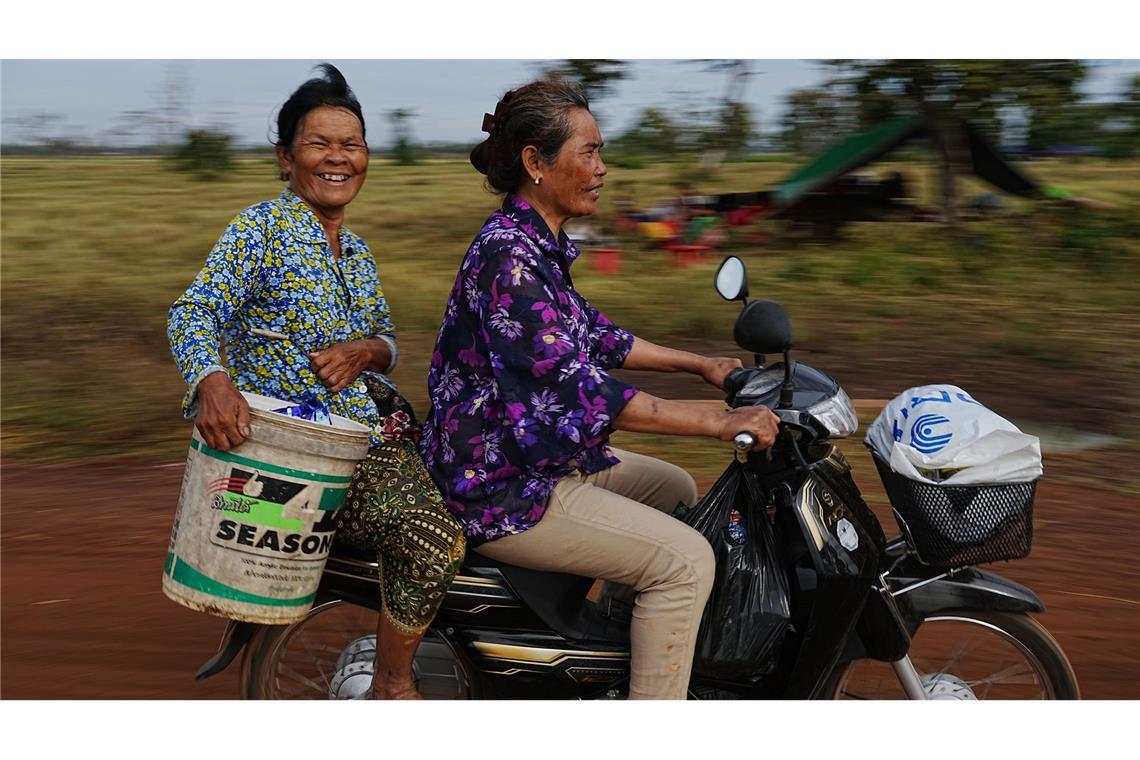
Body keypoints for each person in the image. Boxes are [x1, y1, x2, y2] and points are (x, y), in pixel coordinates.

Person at [419, 79, 779, 700]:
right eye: (588, 152)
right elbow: (580, 390)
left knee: (673, 488)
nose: (602, 169)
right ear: (536, 163)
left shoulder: (536, 244)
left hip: (531, 459)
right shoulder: (509, 260)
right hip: (500, 484)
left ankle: (610, 659)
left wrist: (701, 364)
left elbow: (595, 333)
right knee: (686, 561)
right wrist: (719, 422)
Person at [167, 63, 465, 700]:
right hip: (308, 458)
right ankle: (392, 687)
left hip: (374, 432)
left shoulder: (355, 251)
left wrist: (368, 350)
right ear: (285, 157)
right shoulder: (261, 231)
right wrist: (211, 381)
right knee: (432, 536)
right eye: (318, 144)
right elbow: (193, 311)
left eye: (351, 144)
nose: (338, 157)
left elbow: (387, 339)